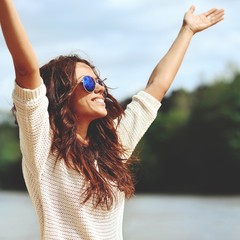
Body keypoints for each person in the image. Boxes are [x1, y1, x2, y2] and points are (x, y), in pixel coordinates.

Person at [0, 1, 224, 239]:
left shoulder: (111, 147)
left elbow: (157, 86)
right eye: (87, 83)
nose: (98, 89)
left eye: (99, 82)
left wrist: (187, 31)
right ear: (61, 95)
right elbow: (26, 71)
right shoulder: (43, 147)